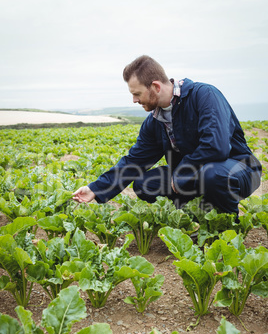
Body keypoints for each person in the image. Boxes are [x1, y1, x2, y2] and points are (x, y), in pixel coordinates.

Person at [73, 55, 262, 215]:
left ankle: (224, 224)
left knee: (213, 174)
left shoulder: (204, 95)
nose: (134, 100)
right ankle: (193, 215)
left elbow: (216, 147)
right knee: (144, 184)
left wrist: (181, 173)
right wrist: (95, 189)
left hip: (239, 168)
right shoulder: (154, 121)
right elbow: (134, 162)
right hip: (196, 174)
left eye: (137, 93)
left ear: (155, 86)